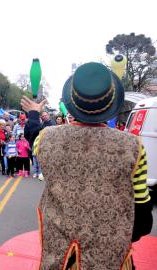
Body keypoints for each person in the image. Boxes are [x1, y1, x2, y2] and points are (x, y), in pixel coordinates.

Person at [20, 62, 153, 269]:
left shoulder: (46, 139)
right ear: (111, 103)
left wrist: (34, 114)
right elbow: (143, 215)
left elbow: (32, 134)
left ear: (73, 102)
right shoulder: (133, 146)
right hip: (111, 256)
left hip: (61, 256)